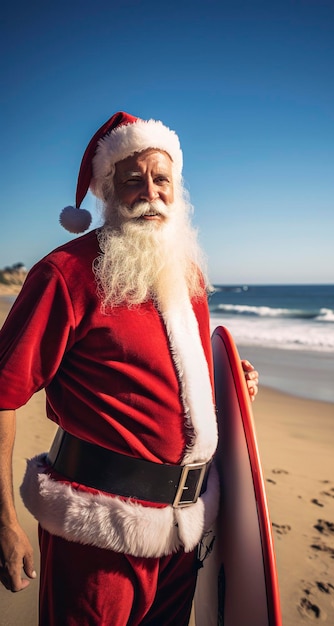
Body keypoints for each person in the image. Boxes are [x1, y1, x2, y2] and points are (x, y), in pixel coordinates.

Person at [0, 111, 258, 625]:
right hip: (96, 535)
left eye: (161, 179)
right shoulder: (64, 274)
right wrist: (2, 519)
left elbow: (179, 381)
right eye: (132, 179)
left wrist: (228, 390)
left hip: (183, 535)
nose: (150, 192)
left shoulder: (188, 275)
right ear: (107, 190)